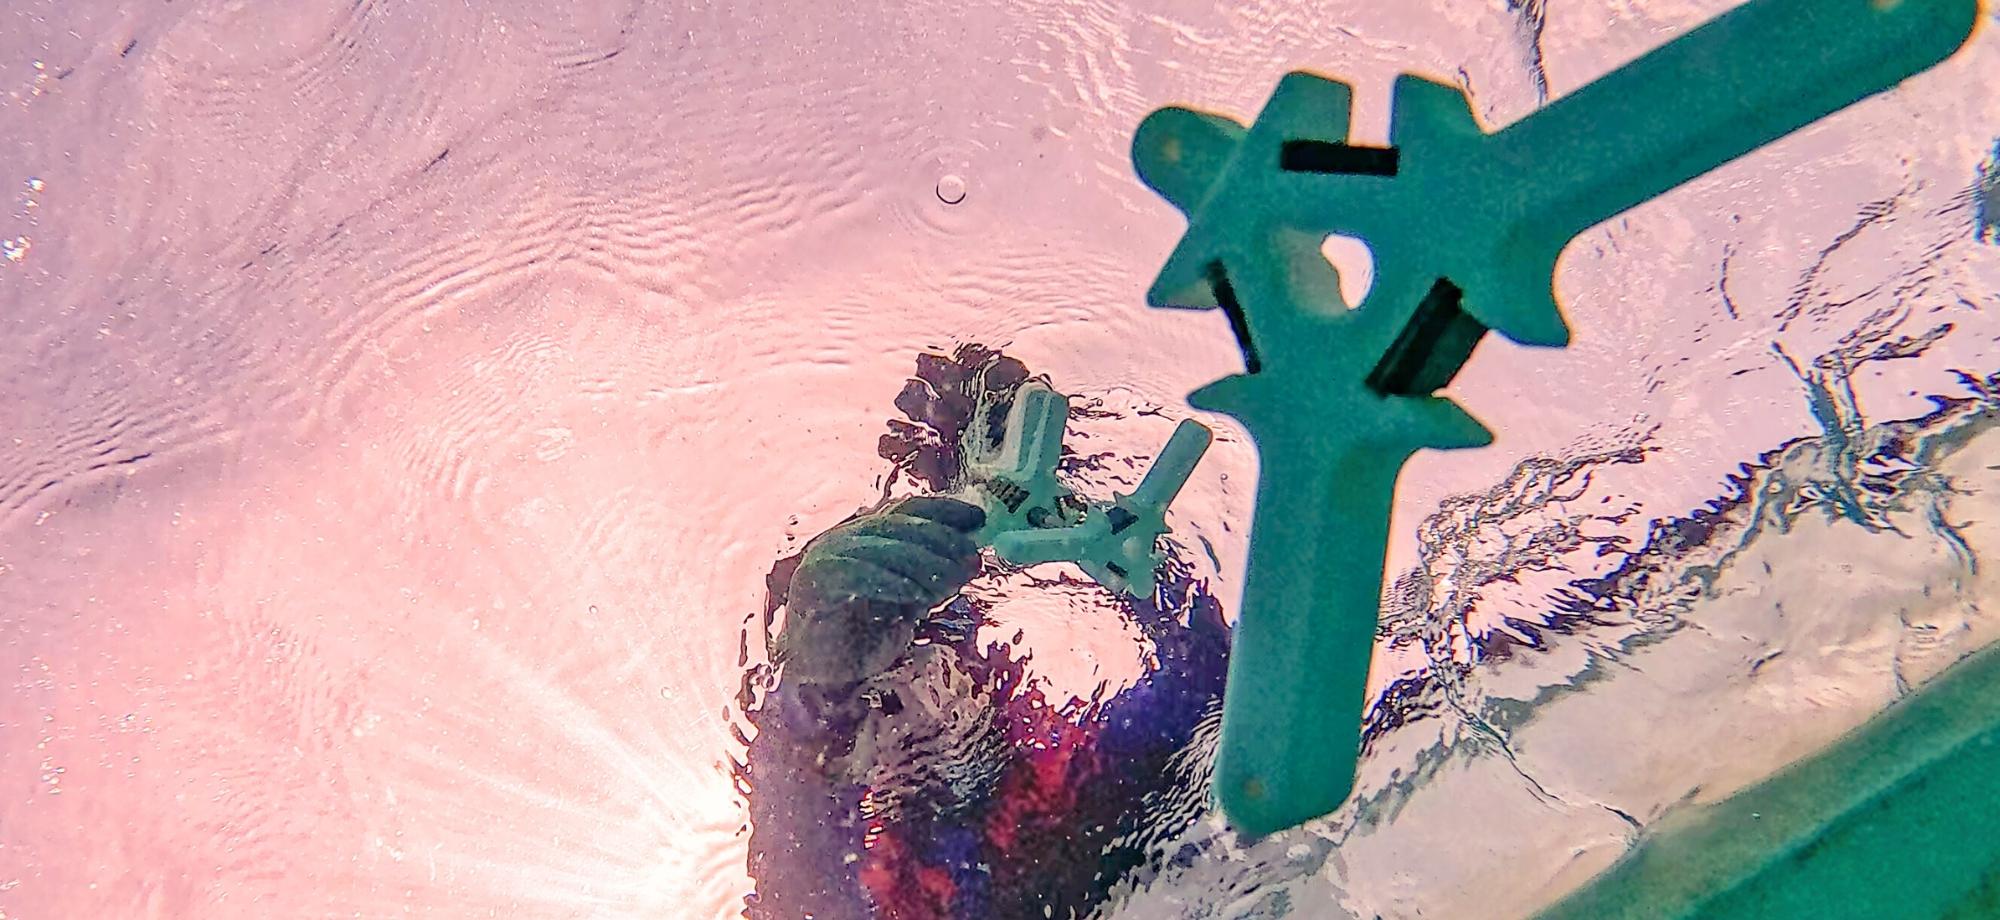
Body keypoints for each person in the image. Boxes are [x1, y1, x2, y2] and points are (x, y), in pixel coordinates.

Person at [737, 345, 1232, 920]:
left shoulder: (853, 882)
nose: (900, 700)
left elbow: (796, 858)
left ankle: (955, 484)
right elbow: (1212, 690)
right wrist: (1151, 578)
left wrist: (810, 698)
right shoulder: (1074, 819)